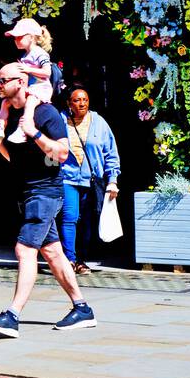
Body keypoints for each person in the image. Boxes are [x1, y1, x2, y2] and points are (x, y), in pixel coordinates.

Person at [0, 63, 96, 337]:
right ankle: (82, 309)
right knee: (53, 253)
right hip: (28, 193)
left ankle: (12, 315)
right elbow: (12, 156)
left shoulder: (46, 114)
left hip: (45, 193)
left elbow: (63, 154)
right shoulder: (12, 113)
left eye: (3, 80)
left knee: (24, 251)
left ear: (21, 82)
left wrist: (35, 133)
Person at [61, 88, 122, 274]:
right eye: (77, 100)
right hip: (67, 178)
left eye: (85, 100)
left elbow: (111, 153)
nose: (82, 103)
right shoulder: (60, 120)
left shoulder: (99, 122)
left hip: (91, 180)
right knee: (70, 217)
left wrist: (113, 180)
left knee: (86, 221)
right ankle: (69, 260)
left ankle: (81, 259)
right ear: (69, 103)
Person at [0, 18, 57, 144]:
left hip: (39, 89)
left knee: (30, 103)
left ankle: (23, 129)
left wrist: (28, 69)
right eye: (15, 37)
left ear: (31, 37)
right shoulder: (25, 55)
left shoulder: (40, 53)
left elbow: (47, 73)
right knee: (5, 102)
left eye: (19, 36)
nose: (16, 40)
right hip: (27, 88)